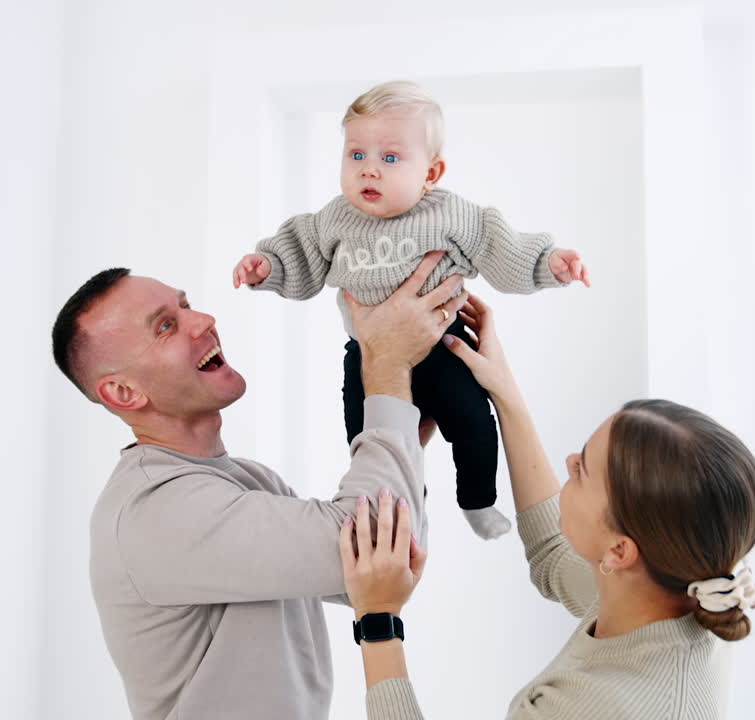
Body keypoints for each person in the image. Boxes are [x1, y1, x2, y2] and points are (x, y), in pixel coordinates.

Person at [50, 253, 467, 720]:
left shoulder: (247, 481)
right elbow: (368, 541)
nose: (203, 320)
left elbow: (379, 571)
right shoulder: (155, 510)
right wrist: (387, 365)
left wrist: (404, 424)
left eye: (186, 305)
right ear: (124, 393)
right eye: (165, 326)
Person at [338, 294, 755, 719]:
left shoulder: (598, 706)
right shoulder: (680, 591)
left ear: (619, 551)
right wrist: (501, 388)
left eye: (583, 470)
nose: (569, 461)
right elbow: (555, 556)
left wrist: (379, 620)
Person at [231, 80, 591, 540]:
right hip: (368, 355)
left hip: (445, 348)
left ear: (432, 173)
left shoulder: (453, 216)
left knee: (476, 426)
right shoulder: (333, 219)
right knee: (371, 443)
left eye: (390, 158)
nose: (369, 171)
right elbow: (298, 253)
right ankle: (406, 504)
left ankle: (477, 500)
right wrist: (268, 266)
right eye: (356, 155)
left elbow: (502, 248)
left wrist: (549, 263)